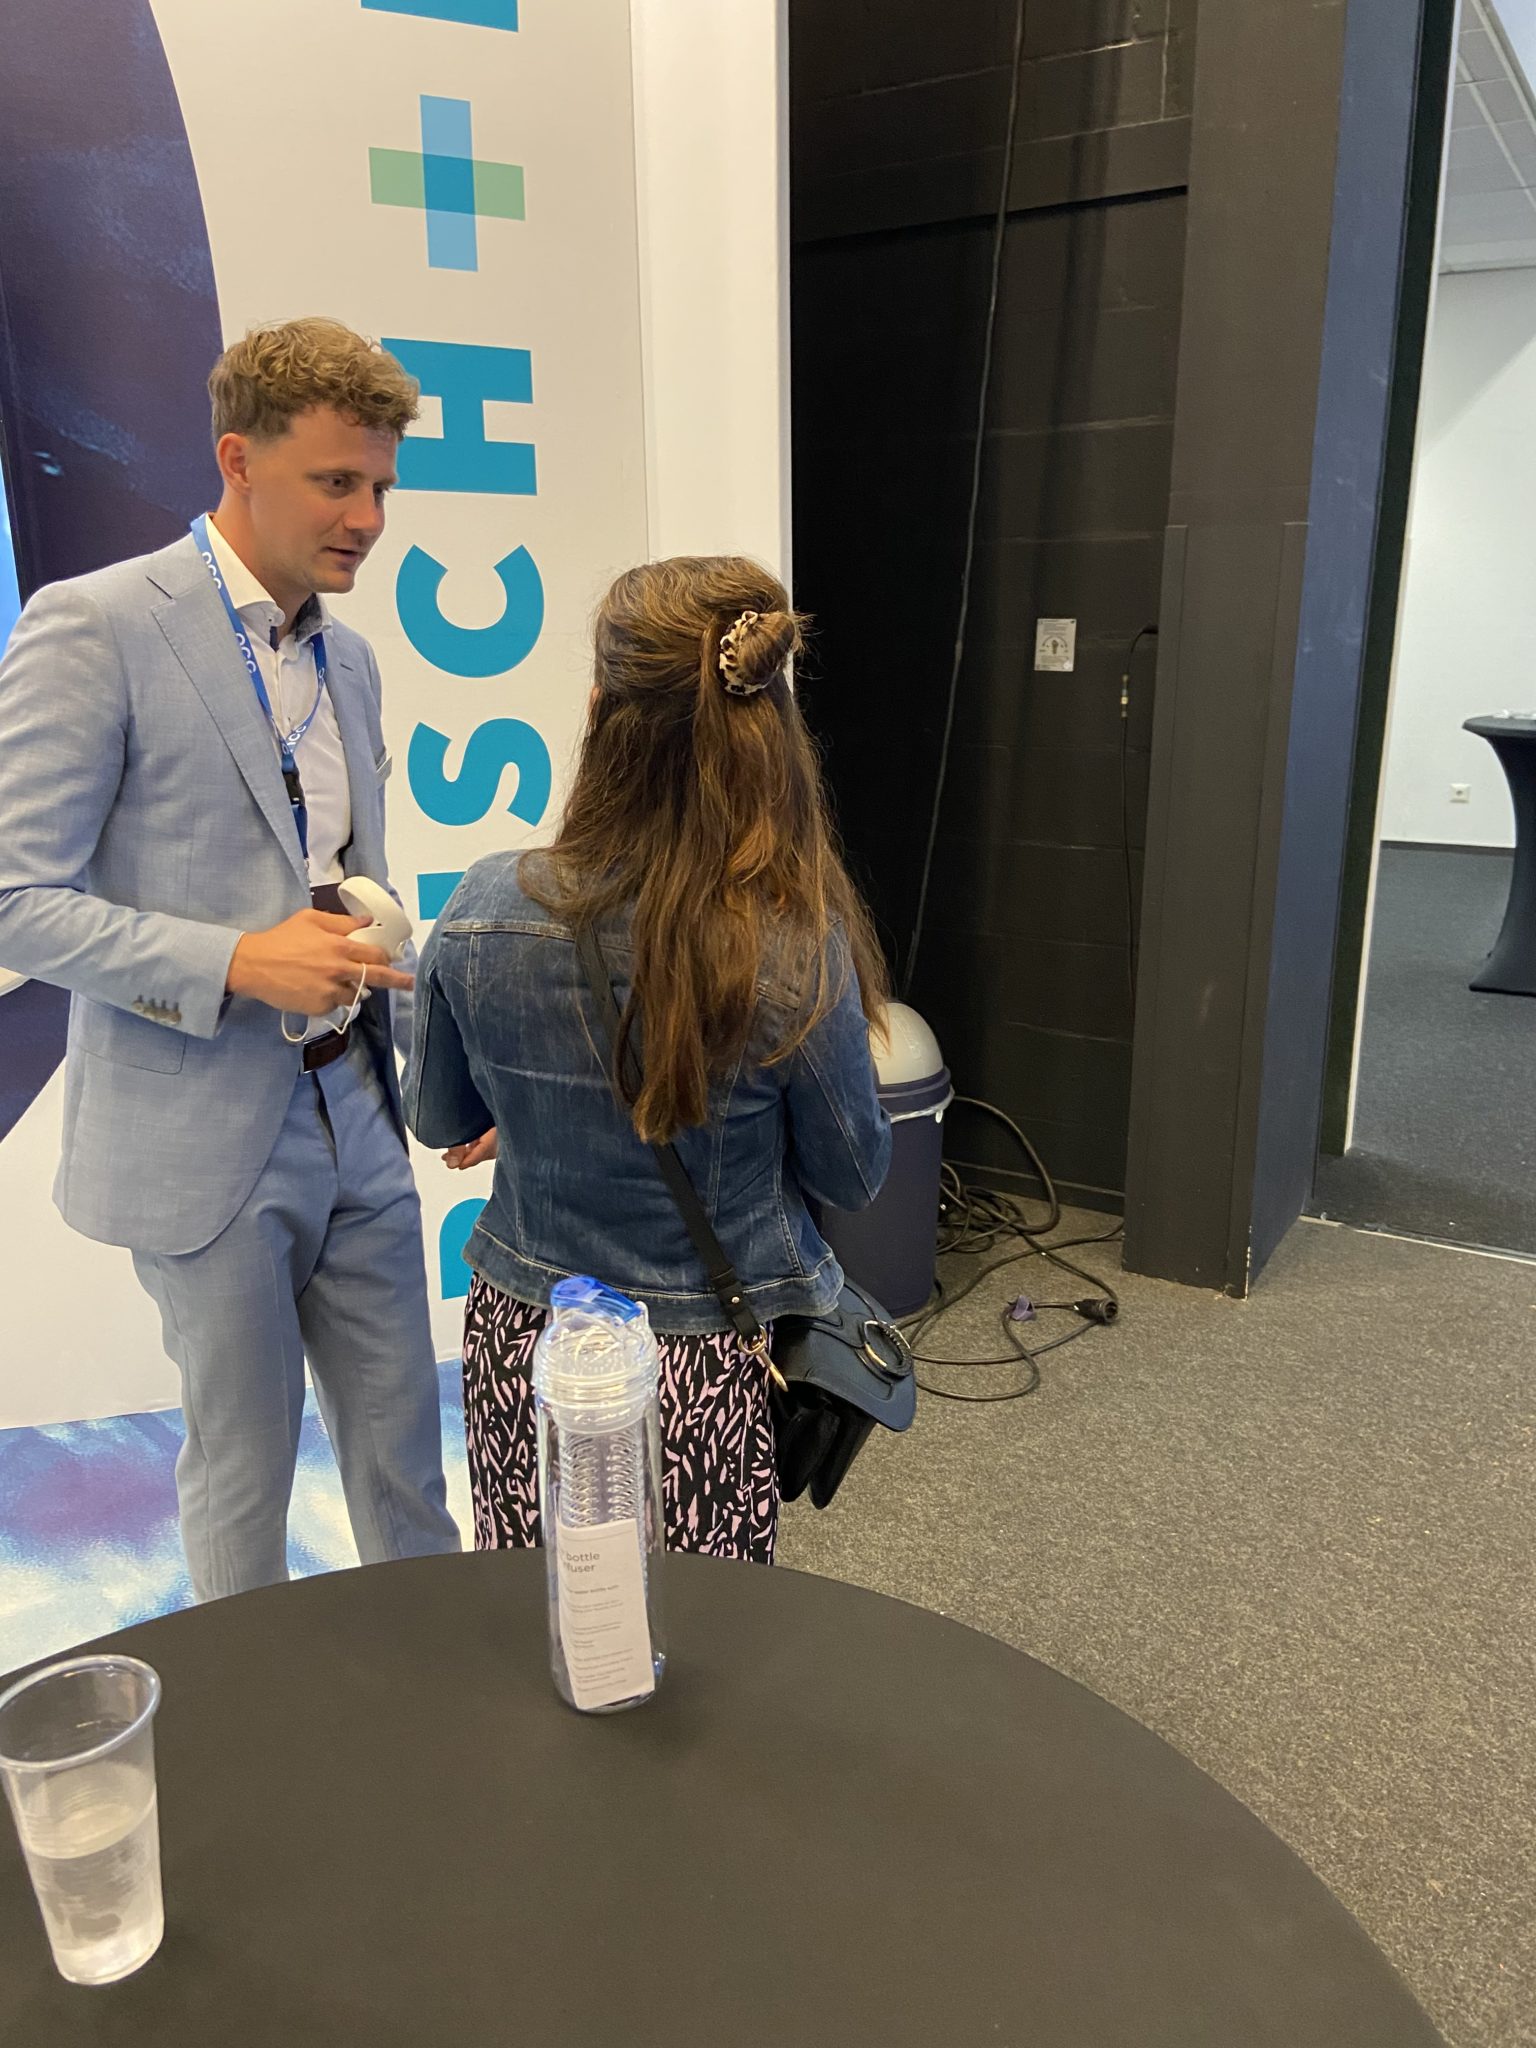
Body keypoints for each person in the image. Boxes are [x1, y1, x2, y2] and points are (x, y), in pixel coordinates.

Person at [0, 318, 460, 1599]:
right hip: (202, 1131)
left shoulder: (351, 658)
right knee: (245, 1473)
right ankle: (248, 1714)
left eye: (380, 486)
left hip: (357, 1109)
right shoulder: (96, 625)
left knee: (407, 1467)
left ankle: (434, 1698)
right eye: (336, 481)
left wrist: (446, 1076)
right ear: (238, 459)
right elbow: (12, 899)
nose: (368, 518)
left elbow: (362, 889)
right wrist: (237, 961)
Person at [405, 556, 892, 1565]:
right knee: (702, 1626)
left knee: (538, 1600)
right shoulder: (791, 943)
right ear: (770, 733)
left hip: (528, 1339)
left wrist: (542, 1112)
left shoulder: (483, 903)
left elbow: (441, 1117)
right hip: (704, 1361)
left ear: (599, 712)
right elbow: (853, 1172)